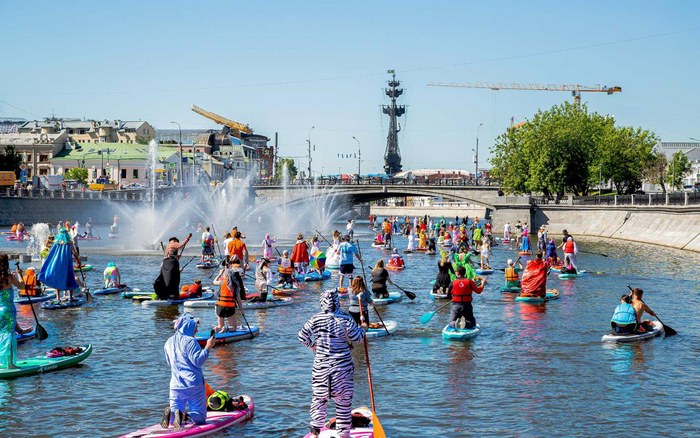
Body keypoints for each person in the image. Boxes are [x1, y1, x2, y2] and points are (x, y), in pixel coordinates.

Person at [298, 290, 365, 438]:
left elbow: (301, 336)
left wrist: (312, 345)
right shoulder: (346, 319)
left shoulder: (315, 319)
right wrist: (363, 328)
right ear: (337, 302)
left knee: (319, 401)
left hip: (321, 369)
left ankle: (315, 434)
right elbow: (357, 338)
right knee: (343, 404)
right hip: (342, 370)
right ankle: (343, 435)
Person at [162, 313, 216, 428]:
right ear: (188, 326)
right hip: (193, 385)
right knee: (200, 417)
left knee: (175, 419)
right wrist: (208, 347)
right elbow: (198, 361)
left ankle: (172, 414)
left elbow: (169, 362)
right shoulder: (190, 341)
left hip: (175, 386)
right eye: (195, 327)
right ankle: (184, 416)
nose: (196, 330)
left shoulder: (168, 342)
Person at [38, 227, 81, 302]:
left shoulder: (56, 243)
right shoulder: (69, 242)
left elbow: (51, 253)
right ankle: (71, 298)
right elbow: (74, 252)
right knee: (69, 278)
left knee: (57, 279)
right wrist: (78, 260)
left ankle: (58, 298)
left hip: (56, 264)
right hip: (67, 264)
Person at [1, 255, 28, 369]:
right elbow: (22, 287)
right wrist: (19, 274)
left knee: (1, 334)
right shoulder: (10, 278)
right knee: (9, 336)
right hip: (8, 310)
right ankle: (10, 364)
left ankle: (1, 362)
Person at [155, 234, 192, 300]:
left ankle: (162, 294)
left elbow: (170, 254)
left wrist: (177, 257)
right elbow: (181, 245)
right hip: (171, 263)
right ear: (175, 240)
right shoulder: (174, 243)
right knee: (174, 278)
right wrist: (187, 238)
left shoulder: (168, 245)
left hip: (165, 263)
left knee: (164, 278)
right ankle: (173, 295)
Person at [212, 257, 245, 332]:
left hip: (219, 305)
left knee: (220, 325)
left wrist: (219, 274)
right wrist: (241, 310)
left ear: (225, 276)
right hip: (229, 306)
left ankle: (218, 328)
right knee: (234, 327)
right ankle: (226, 328)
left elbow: (214, 281)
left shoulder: (221, 282)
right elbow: (238, 300)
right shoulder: (235, 285)